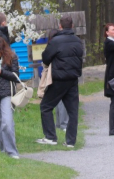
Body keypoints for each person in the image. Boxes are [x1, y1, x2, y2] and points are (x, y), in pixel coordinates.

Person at [38, 15, 84, 148]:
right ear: (72, 26)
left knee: (46, 107)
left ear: (60, 26)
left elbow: (46, 58)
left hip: (58, 79)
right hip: (73, 79)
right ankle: (70, 141)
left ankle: (51, 137)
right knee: (73, 111)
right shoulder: (77, 41)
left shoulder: (56, 41)